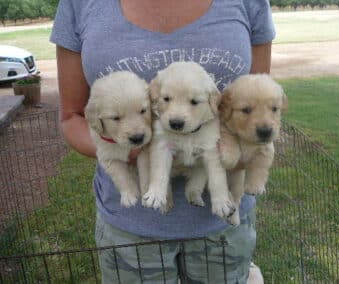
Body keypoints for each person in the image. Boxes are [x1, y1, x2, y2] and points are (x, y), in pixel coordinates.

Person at [50, 0, 276, 283]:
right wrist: (130, 151)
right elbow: (72, 117)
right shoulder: (80, 4)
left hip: (222, 225)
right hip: (131, 227)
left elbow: (258, 101)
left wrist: (238, 156)